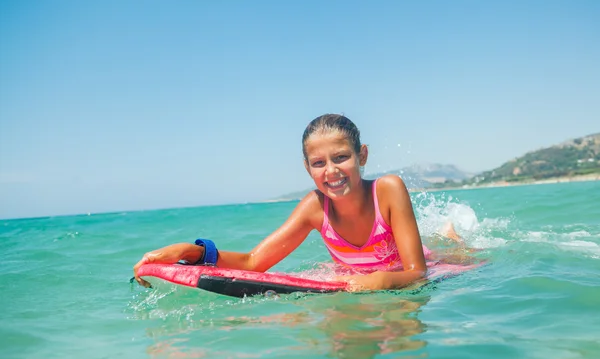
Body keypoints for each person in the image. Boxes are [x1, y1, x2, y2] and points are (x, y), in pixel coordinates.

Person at [133, 113, 461, 292]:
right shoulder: (315, 208)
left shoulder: (388, 190)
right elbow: (252, 263)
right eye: (319, 163)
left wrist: (377, 281)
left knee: (458, 256)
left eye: (342, 157)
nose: (332, 171)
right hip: (356, 279)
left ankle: (450, 236)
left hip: (412, 267)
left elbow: (416, 272)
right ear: (308, 169)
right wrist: (192, 252)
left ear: (362, 156)